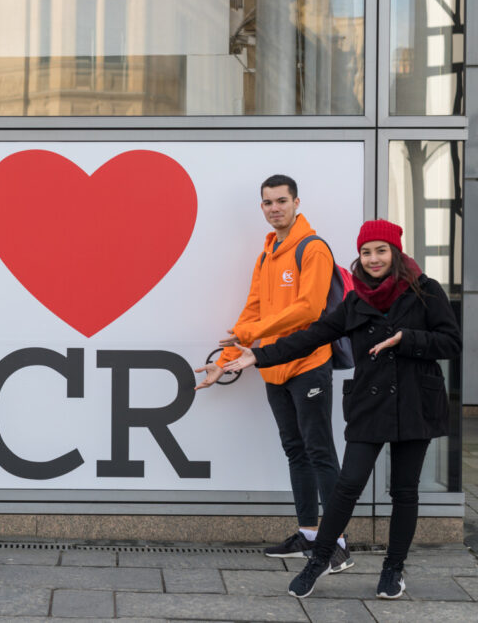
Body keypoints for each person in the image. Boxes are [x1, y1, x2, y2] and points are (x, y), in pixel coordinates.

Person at [224, 220, 461, 599]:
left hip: (416, 403)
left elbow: (451, 342)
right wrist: (258, 354)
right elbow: (311, 336)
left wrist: (407, 339)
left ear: (395, 252)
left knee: (405, 491)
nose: (373, 259)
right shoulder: (356, 300)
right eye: (366, 252)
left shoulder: (426, 291)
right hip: (370, 405)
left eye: (381, 250)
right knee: (347, 485)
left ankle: (393, 570)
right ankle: (319, 560)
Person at [194, 175, 351, 570]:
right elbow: (253, 310)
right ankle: (310, 534)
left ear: (297, 202)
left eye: (281, 201)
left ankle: (338, 544)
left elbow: (310, 309)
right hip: (272, 368)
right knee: (295, 450)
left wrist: (250, 333)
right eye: (267, 203)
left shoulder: (313, 249)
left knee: (320, 452)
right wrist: (226, 359)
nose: (274, 208)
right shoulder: (266, 254)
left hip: (308, 364)